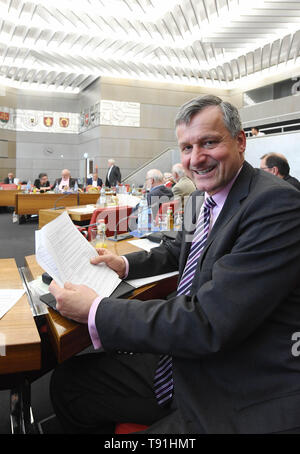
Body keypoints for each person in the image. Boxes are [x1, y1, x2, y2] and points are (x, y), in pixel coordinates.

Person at [49, 94, 300, 434]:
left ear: (240, 141)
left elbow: (207, 322)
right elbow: (176, 249)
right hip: (185, 359)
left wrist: (96, 310)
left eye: (209, 143)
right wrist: (123, 263)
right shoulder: (201, 197)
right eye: (186, 148)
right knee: (68, 384)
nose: (196, 159)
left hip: (235, 381)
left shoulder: (275, 204)